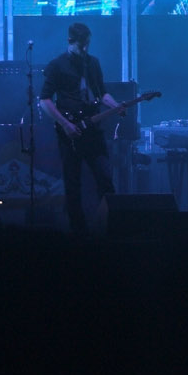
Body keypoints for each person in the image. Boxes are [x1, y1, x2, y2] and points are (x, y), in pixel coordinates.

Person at [39, 22, 120, 234]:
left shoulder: (93, 63)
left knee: (105, 178)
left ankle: (110, 227)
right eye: (81, 45)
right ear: (70, 41)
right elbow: (44, 100)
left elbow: (102, 93)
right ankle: (78, 232)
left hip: (92, 129)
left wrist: (116, 106)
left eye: (87, 44)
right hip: (70, 132)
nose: (85, 49)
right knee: (73, 184)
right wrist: (65, 124)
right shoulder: (57, 65)